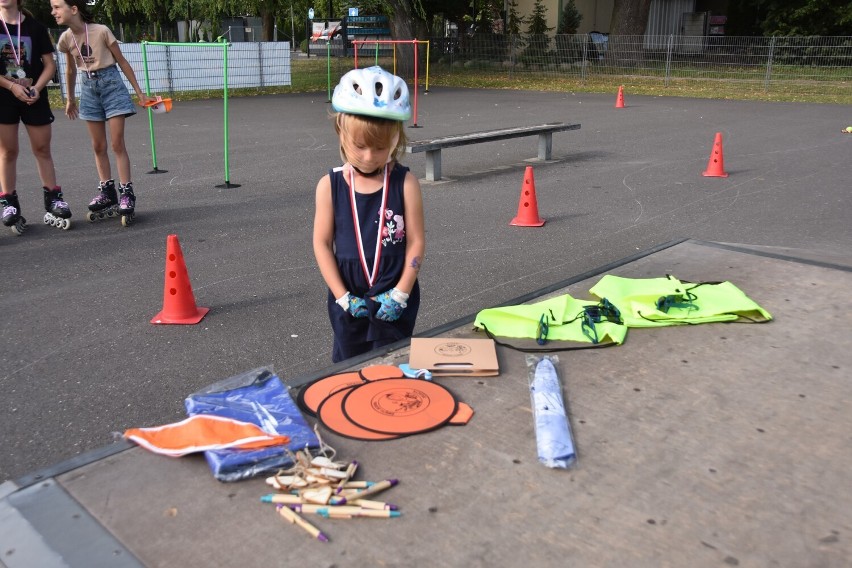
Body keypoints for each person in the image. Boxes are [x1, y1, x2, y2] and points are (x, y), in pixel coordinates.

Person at [313, 66, 426, 363]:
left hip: (394, 294)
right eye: (360, 146)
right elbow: (322, 244)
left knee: (395, 366)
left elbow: (415, 242)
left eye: (379, 147)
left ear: (395, 139)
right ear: (341, 131)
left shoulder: (406, 184)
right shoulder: (329, 186)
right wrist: (341, 296)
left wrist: (402, 292)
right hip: (348, 297)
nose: (368, 156)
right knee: (350, 370)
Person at [51, 0, 151, 225]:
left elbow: (122, 62)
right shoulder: (66, 38)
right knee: (98, 146)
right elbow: (69, 69)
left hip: (111, 85)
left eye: (57, 7)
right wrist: (69, 99)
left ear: (73, 9)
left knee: (117, 144)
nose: (53, 12)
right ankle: (107, 190)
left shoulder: (101, 31)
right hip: (88, 90)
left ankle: (126, 192)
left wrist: (139, 93)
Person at [0, 0, 71, 234]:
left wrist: (37, 89)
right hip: (4, 96)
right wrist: (12, 87)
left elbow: (49, 65)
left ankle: (53, 198)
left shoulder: (35, 27)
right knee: (8, 151)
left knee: (42, 149)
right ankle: (8, 202)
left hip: (33, 94)